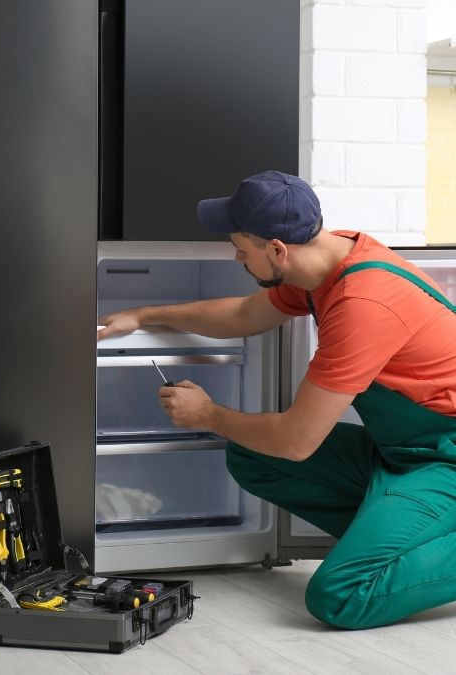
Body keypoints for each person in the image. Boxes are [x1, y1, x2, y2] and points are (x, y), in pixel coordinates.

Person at [97, 169, 456, 630]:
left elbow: (297, 441)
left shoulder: (363, 306)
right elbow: (246, 313)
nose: (236, 257)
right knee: (252, 456)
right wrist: (145, 315)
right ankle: (397, 543)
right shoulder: (329, 259)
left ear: (277, 250)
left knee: (341, 594)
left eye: (241, 249)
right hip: (402, 454)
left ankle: (390, 552)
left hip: (445, 460)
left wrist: (209, 414)